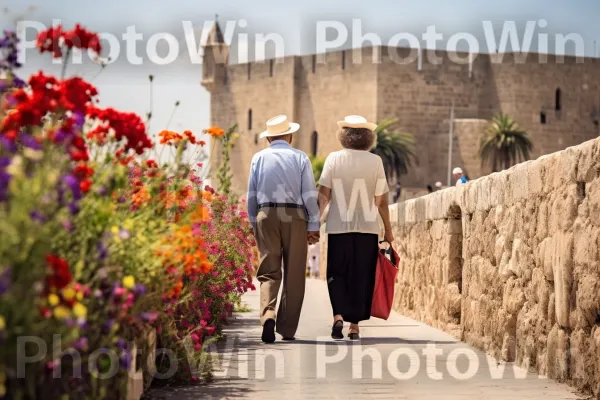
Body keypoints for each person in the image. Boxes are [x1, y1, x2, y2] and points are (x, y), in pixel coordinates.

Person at [318, 115, 394, 341]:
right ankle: (354, 326)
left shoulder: (333, 159)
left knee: (336, 273)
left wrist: (313, 222)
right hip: (367, 228)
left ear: (344, 136)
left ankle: (338, 316)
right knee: (362, 276)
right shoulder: (376, 161)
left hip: (338, 227)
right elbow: (381, 201)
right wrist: (388, 230)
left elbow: (324, 195)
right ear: (368, 137)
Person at [247, 115, 320, 343]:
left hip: (266, 213)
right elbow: (309, 193)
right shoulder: (300, 158)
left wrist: (253, 222)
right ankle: (287, 329)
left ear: (268, 138)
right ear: (289, 135)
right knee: (295, 272)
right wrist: (313, 224)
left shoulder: (258, 158)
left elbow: (252, 194)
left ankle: (268, 314)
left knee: (268, 270)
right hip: (295, 215)